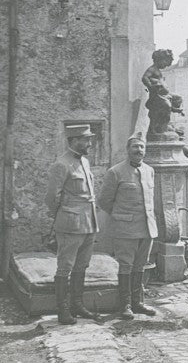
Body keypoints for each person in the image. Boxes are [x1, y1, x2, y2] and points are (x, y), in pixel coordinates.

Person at [44, 123, 100, 324]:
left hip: (89, 222)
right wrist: (63, 216)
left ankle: (78, 305)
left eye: (89, 139)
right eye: (85, 139)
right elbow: (51, 198)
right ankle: (63, 310)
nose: (89, 143)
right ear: (74, 141)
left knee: (81, 266)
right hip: (70, 224)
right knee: (65, 267)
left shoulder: (84, 162)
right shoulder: (61, 164)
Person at [98, 135, 159, 320]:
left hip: (147, 227)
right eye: (135, 147)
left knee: (140, 265)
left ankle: (137, 302)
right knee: (125, 265)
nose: (139, 150)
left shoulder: (149, 170)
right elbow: (104, 201)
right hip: (125, 229)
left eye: (141, 147)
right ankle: (125, 304)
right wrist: (122, 217)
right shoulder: (115, 172)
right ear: (127, 149)